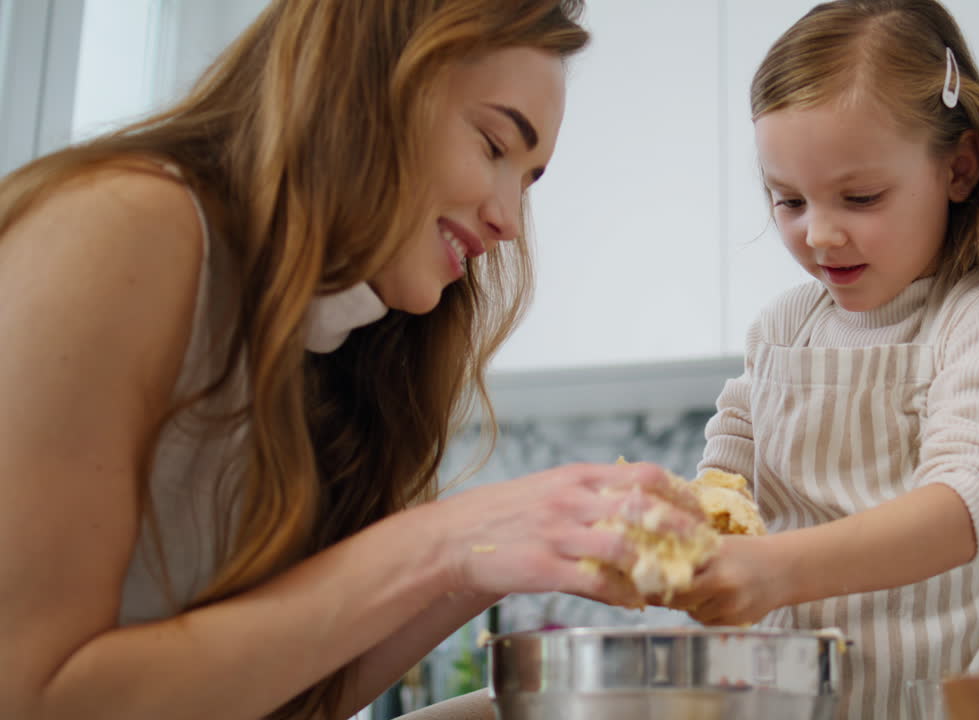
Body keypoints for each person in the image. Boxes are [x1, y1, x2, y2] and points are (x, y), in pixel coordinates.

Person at [0, 2, 702, 719]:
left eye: (526, 181)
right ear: (368, 86)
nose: (508, 222)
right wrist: (447, 541)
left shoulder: (340, 339)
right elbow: (33, 697)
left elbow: (290, 699)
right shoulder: (125, 225)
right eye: (494, 146)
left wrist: (513, 551)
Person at [662, 1, 979, 717]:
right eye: (787, 201)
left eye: (860, 196)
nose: (820, 234)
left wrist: (775, 572)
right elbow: (735, 445)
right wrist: (696, 513)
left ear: (959, 168)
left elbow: (960, 510)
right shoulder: (785, 326)